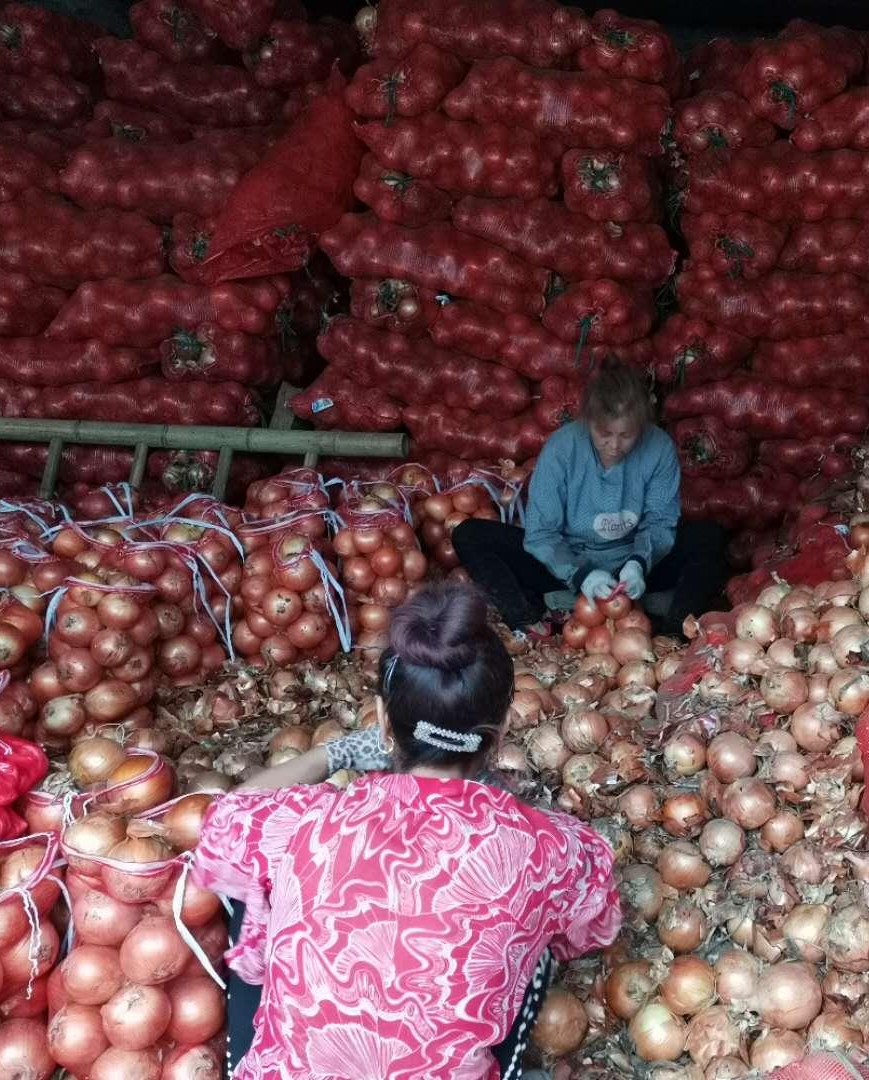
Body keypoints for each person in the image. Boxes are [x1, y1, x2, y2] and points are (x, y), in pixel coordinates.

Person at [191, 583, 622, 1080]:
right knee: (537, 948)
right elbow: (594, 928)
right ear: (501, 730)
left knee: (254, 887)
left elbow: (227, 816)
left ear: (382, 722)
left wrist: (337, 752)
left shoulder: (308, 822)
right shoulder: (545, 848)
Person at [455, 359, 728, 639]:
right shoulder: (562, 448)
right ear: (588, 422)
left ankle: (672, 635)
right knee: (470, 535)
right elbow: (542, 533)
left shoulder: (658, 447)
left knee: (710, 537)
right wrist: (581, 574)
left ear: (642, 425)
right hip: (567, 562)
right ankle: (528, 618)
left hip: (633, 565)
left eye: (627, 435)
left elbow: (661, 520)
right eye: (604, 433)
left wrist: (638, 563)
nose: (614, 445)